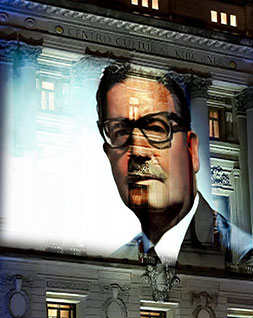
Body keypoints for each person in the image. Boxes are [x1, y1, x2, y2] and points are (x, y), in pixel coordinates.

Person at [96, 65, 238, 266]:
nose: (138, 152)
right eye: (121, 132)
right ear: (108, 154)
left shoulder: (242, 252)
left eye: (155, 128)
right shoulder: (114, 263)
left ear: (192, 150)